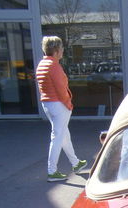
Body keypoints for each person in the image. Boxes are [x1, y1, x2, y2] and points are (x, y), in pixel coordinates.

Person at [35, 36, 87, 182]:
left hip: (48, 104)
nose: (63, 50)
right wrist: (68, 104)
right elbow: (61, 88)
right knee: (58, 137)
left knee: (63, 134)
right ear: (56, 50)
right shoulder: (54, 66)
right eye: (62, 48)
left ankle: (75, 163)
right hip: (58, 104)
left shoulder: (42, 64)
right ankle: (52, 171)